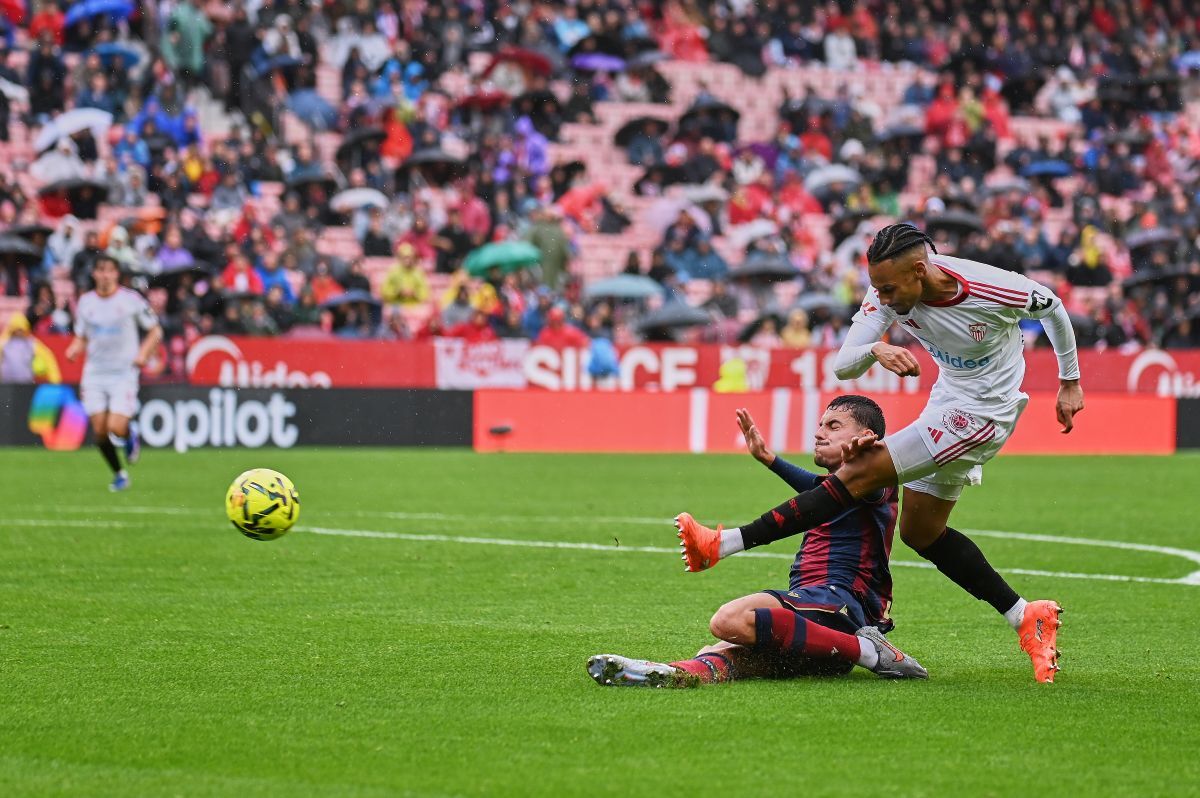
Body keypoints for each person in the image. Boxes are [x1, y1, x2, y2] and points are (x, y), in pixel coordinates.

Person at [675, 223, 1081, 683]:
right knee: (922, 533)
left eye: (890, 288)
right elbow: (843, 362)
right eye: (877, 288)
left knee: (861, 471)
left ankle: (724, 544)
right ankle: (1026, 615)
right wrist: (876, 349)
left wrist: (1070, 381)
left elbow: (1053, 306)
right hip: (945, 401)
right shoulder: (887, 292)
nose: (883, 298)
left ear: (920, 271)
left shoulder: (987, 285)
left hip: (987, 412)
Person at [588, 399, 928, 687]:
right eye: (820, 424)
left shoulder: (876, 483)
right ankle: (677, 674)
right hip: (825, 636)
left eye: (834, 425)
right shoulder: (838, 490)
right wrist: (770, 459)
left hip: (841, 604)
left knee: (730, 620)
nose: (818, 431)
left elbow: (839, 490)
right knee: (724, 647)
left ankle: (871, 651)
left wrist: (866, 455)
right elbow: (815, 490)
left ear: (867, 437)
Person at [65, 256, 162, 491]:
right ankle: (119, 474)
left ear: (117, 274)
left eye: (110, 271)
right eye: (101, 270)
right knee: (99, 430)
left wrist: (143, 354)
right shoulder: (86, 302)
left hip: (123, 373)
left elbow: (155, 330)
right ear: (95, 274)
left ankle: (129, 434)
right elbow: (83, 335)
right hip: (95, 373)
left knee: (115, 427)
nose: (105, 275)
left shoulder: (131, 300)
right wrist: (75, 347)